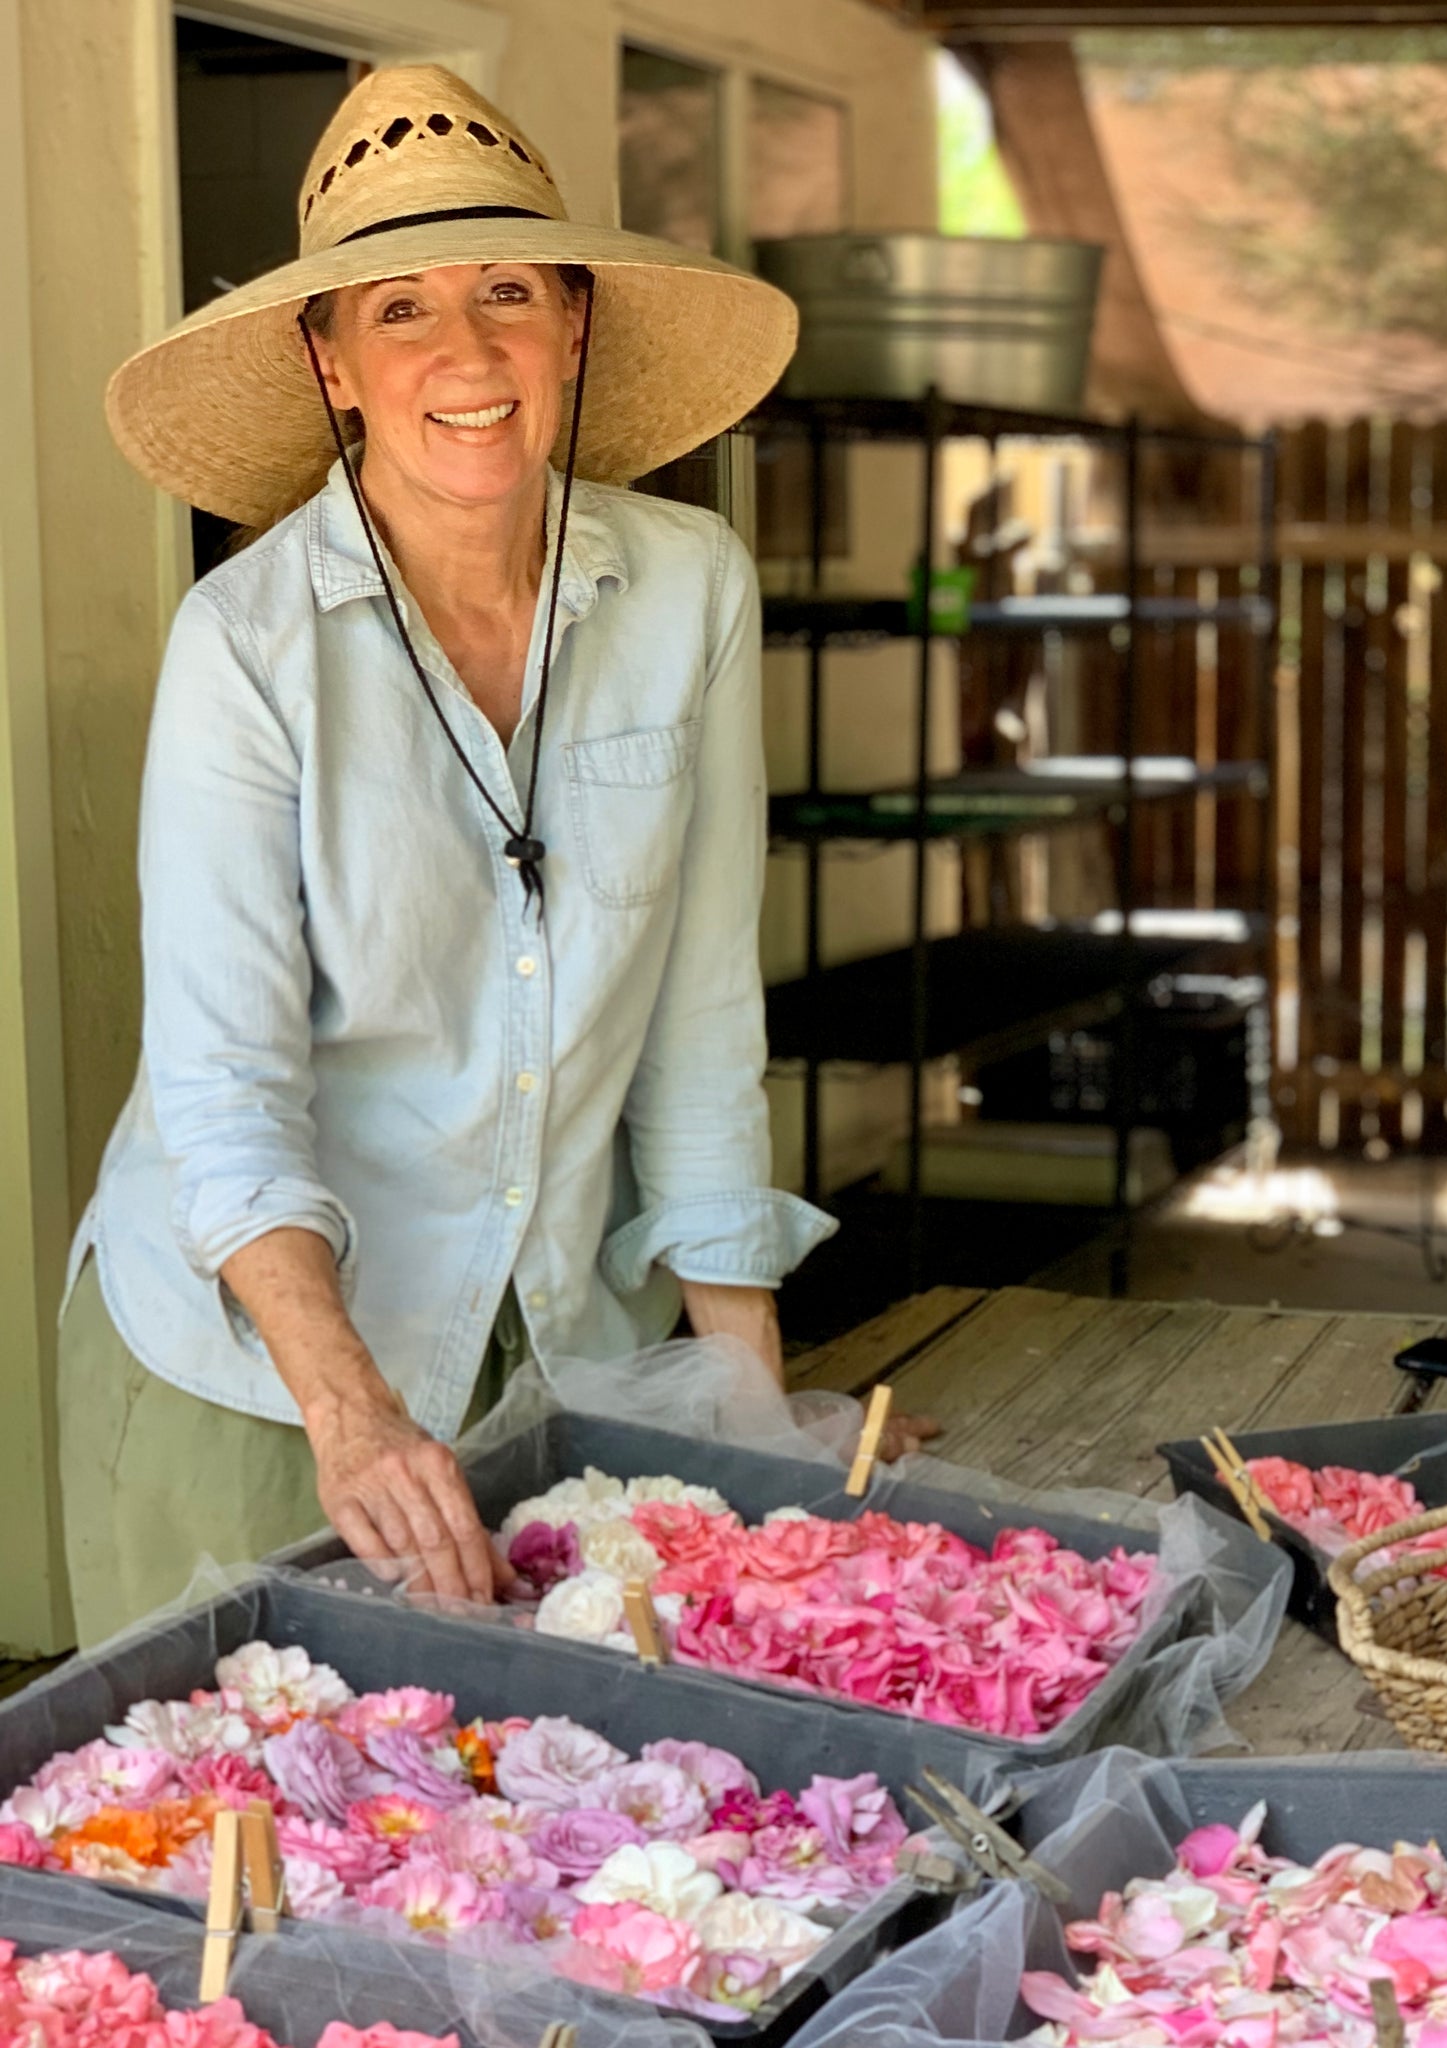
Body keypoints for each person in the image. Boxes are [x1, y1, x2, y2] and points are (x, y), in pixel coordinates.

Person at [63, 63, 932, 1647]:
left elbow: (698, 1016)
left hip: (553, 1356)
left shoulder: (690, 591)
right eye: (397, 309)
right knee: (252, 1846)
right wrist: (350, 1409)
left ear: (576, 323)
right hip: (261, 1370)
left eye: (508, 292)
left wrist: (739, 1399)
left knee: (536, 1855)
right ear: (331, 364)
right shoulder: (246, 645)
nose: (465, 352)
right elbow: (222, 1087)